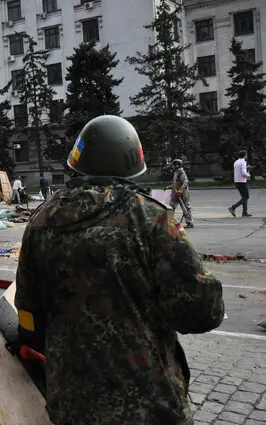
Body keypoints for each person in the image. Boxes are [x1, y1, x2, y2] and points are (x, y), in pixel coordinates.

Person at [14, 115, 224, 425]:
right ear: (130, 164)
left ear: (78, 161)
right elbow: (200, 312)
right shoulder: (150, 219)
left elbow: (28, 315)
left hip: (71, 403)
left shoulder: (41, 221)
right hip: (148, 405)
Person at [167, 159, 194, 228]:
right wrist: (169, 187)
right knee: (171, 206)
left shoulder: (181, 172)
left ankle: (189, 222)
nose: (172, 166)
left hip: (183, 193)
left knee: (186, 207)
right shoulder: (176, 172)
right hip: (176, 192)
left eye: (173, 165)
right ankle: (170, 221)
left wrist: (181, 190)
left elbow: (185, 182)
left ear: (177, 165)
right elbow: (176, 183)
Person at [229, 150, 252, 217]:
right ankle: (232, 208)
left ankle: (244, 212)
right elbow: (243, 173)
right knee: (246, 197)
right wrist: (248, 175)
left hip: (237, 181)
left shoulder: (236, 162)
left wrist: (246, 168)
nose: (247, 156)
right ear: (244, 155)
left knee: (244, 197)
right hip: (242, 182)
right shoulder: (243, 162)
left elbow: (239, 170)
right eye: (246, 155)